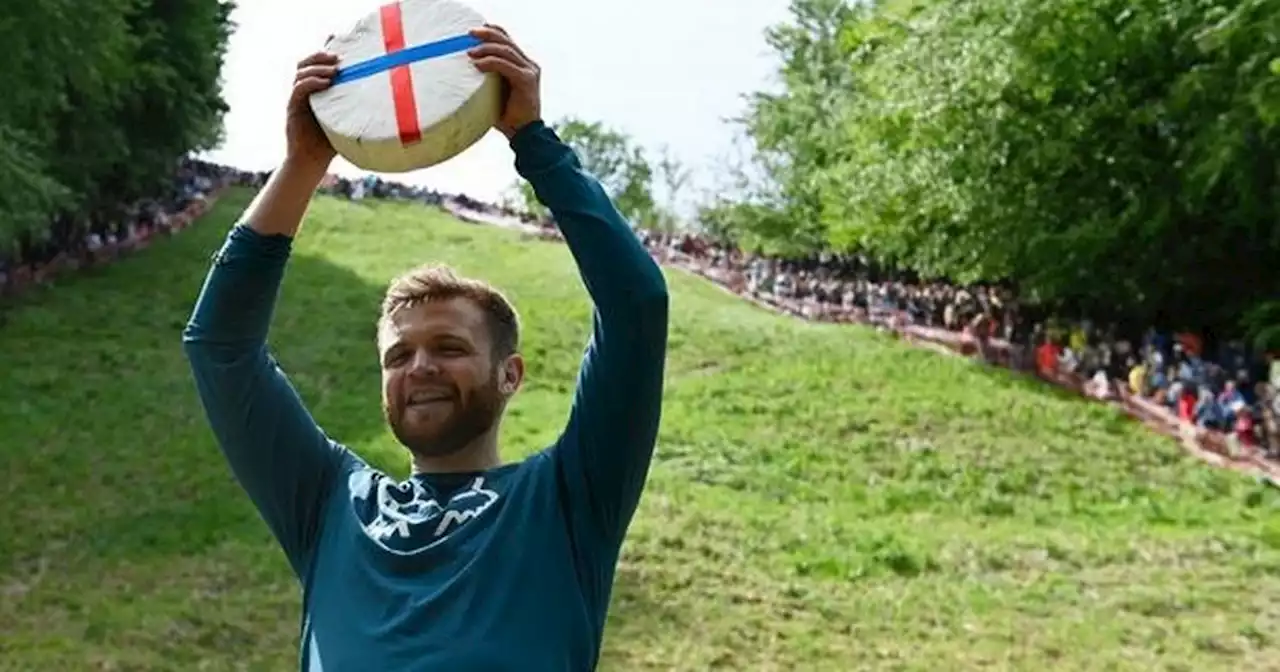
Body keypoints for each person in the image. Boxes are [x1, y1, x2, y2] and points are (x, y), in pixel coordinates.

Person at [182, 25, 669, 671]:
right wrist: (303, 163)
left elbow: (636, 308)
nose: (420, 368)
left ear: (509, 374)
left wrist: (534, 142)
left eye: (448, 346)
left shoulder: (567, 500)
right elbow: (220, 347)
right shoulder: (329, 502)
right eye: (397, 355)